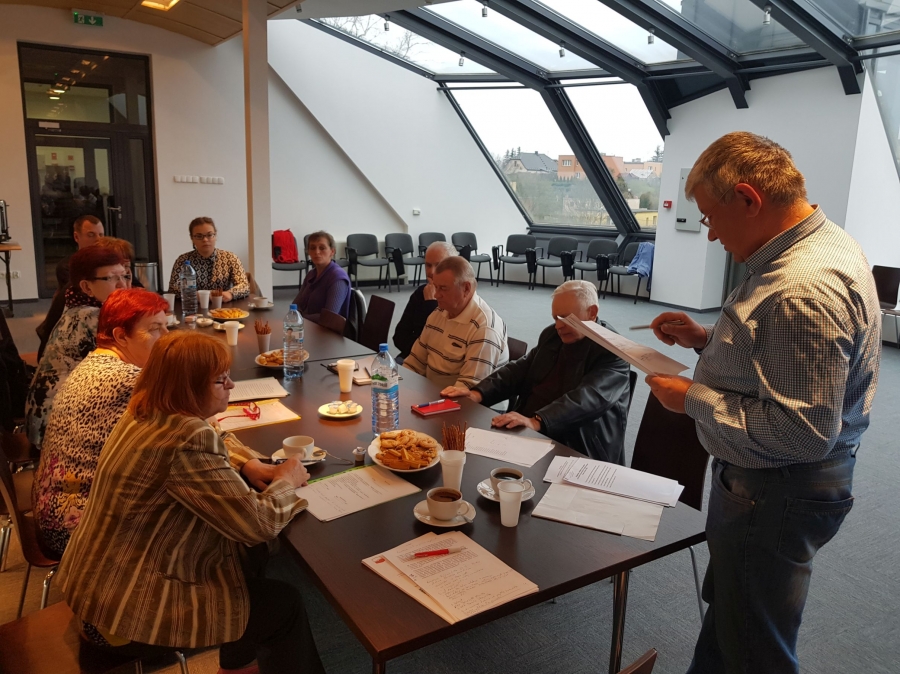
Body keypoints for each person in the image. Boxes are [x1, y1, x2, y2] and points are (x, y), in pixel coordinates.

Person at [644, 132, 881, 674]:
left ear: (748, 199)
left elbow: (801, 432)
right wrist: (708, 340)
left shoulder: (800, 289)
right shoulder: (816, 243)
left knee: (754, 647)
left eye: (710, 216)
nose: (710, 234)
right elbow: (777, 351)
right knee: (734, 624)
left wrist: (694, 398)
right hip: (778, 486)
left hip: (776, 489)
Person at [57, 331, 324, 674]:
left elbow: (214, 434)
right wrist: (286, 479)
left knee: (246, 555)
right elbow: (258, 524)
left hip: (97, 584)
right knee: (283, 605)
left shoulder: (148, 408)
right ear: (188, 389)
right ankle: (240, 662)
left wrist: (247, 463)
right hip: (125, 609)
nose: (231, 385)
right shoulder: (186, 439)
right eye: (220, 380)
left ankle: (238, 665)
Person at [32, 289, 169, 556]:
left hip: (52, 509)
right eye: (155, 329)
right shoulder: (126, 379)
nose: (166, 337)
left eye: (166, 326)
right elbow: (187, 432)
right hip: (79, 528)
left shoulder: (96, 362)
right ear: (121, 336)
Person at [442, 280, 631, 464]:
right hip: (532, 427)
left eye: (566, 318)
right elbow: (519, 370)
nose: (558, 325)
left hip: (578, 443)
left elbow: (588, 399)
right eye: (555, 318)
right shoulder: (552, 335)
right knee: (459, 455)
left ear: (592, 313)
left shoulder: (614, 351)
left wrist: (537, 421)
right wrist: (477, 393)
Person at [24, 246, 130, 449]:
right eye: (111, 278)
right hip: (57, 428)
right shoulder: (91, 317)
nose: (122, 285)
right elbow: (127, 369)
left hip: (48, 415)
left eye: (124, 276)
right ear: (87, 287)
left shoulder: (77, 303)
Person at [403, 256, 508, 389]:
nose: (436, 295)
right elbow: (414, 362)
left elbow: (467, 389)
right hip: (432, 392)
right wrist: (398, 385)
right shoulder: (439, 312)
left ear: (466, 288)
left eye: (443, 288)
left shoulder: (484, 329)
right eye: (436, 287)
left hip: (464, 400)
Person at [36, 215, 105, 359]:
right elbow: (93, 299)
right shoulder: (67, 267)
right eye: (91, 235)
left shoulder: (108, 264)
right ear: (76, 237)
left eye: (101, 235)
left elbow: (137, 287)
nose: (98, 240)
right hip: (75, 332)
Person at [392, 241, 456, 360]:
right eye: (428, 265)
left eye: (439, 265)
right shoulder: (420, 293)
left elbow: (438, 346)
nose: (431, 272)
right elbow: (399, 337)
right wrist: (417, 348)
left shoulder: (457, 300)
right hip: (412, 358)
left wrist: (430, 305)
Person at [167, 217, 249, 300]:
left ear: (215, 236)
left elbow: (244, 285)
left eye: (209, 235)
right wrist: (195, 295)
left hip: (223, 305)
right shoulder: (183, 260)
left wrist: (230, 294)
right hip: (193, 305)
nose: (205, 240)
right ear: (192, 238)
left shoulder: (230, 258)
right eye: (199, 236)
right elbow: (173, 289)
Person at [292, 230, 351, 323]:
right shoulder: (311, 273)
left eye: (322, 248)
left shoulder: (338, 278)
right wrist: (295, 315)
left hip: (328, 330)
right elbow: (296, 304)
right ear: (308, 252)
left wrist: (301, 318)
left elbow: (329, 317)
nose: (317, 252)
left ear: (332, 251)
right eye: (312, 248)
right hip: (308, 325)